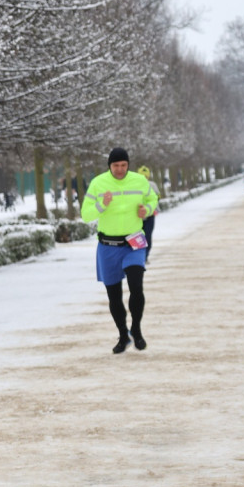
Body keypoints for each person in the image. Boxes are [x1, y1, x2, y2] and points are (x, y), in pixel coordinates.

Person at [81, 148, 158, 353]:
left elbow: (153, 200)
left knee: (136, 286)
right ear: (109, 166)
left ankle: (137, 330)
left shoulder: (139, 181)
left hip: (134, 243)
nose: (120, 169)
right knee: (114, 296)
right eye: (116, 165)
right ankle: (123, 335)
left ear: (128, 164)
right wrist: (101, 205)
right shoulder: (98, 183)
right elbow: (85, 214)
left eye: (124, 165)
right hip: (108, 246)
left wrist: (147, 210)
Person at [136, 166, 159, 263]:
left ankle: (145, 256)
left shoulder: (152, 185)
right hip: (138, 216)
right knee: (139, 237)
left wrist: (154, 209)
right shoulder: (134, 185)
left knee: (148, 236)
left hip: (149, 215)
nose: (144, 178)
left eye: (146, 176)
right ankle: (140, 256)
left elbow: (157, 198)